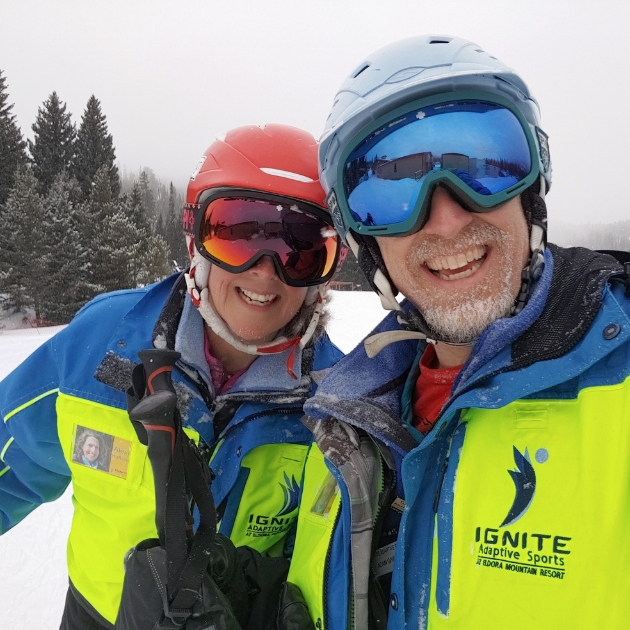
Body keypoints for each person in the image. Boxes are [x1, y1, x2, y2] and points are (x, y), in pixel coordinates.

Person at [286, 36, 630, 629]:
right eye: (389, 191)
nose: (446, 218)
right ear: (365, 241)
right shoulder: (343, 415)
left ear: (531, 192)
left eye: (483, 167)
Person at [0, 123, 342, 630]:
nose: (267, 271)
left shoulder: (336, 406)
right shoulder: (103, 342)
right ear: (195, 241)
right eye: (238, 232)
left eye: (301, 248)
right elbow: (12, 462)